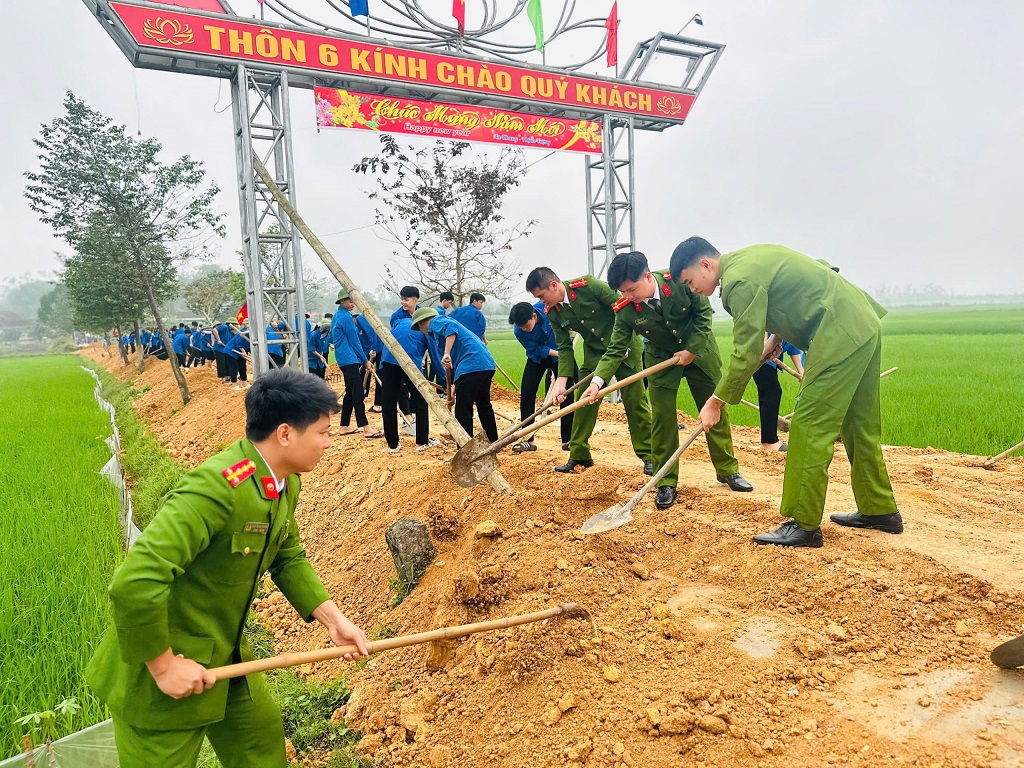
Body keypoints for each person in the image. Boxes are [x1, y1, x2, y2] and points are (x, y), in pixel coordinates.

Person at [85, 369, 369, 768]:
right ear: (285, 434)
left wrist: (332, 618)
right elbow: (135, 580)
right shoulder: (216, 489)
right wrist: (164, 667)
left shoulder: (283, 482)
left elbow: (287, 555)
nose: (328, 442)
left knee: (261, 744)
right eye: (323, 432)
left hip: (226, 656)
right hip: (161, 672)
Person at [671, 237, 903, 548]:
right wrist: (774, 340)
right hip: (861, 322)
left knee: (809, 425)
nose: (692, 289)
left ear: (705, 265)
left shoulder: (738, 280)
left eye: (689, 281)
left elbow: (744, 350)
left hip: (838, 333)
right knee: (858, 424)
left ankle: (804, 524)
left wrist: (716, 401)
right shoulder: (751, 258)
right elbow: (797, 292)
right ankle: (880, 509)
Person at [587, 252, 753, 509]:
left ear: (646, 276)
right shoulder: (626, 309)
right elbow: (616, 349)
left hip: (699, 354)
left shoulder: (680, 281)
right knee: (662, 420)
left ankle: (727, 469)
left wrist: (692, 351)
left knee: (714, 410)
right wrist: (597, 382)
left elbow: (703, 315)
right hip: (661, 360)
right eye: (623, 292)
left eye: (632, 289)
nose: (628, 296)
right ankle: (665, 481)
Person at [525, 267, 654, 475]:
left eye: (541, 296)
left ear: (554, 285)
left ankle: (649, 455)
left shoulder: (588, 286)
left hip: (625, 350)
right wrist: (560, 383)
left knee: (634, 401)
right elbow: (564, 347)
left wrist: (624, 344)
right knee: (582, 401)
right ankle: (580, 455)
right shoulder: (553, 312)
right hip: (595, 355)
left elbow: (624, 307)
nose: (541, 302)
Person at [411, 307, 498, 443]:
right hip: (485, 364)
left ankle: (464, 446)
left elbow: (450, 328)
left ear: (421, 324)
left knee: (463, 410)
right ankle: (494, 440)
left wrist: (446, 353)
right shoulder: (441, 334)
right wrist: (454, 387)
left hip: (472, 364)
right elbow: (457, 361)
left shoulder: (436, 321)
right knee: (483, 404)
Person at [508, 301, 575, 454]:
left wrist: (562, 354)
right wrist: (557, 353)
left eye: (526, 325)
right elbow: (537, 349)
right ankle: (528, 439)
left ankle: (568, 439)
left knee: (567, 394)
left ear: (534, 316)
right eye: (521, 327)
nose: (524, 329)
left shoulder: (548, 309)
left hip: (562, 356)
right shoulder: (519, 332)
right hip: (537, 358)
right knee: (527, 392)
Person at [379, 317, 438, 453]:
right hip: (410, 362)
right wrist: (447, 385)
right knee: (421, 400)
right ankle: (422, 441)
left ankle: (392, 445)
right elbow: (434, 356)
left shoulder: (399, 322)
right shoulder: (426, 328)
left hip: (388, 360)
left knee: (388, 403)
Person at [331, 289, 380, 438]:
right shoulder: (345, 317)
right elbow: (354, 341)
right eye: (350, 301)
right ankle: (365, 427)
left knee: (350, 393)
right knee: (358, 392)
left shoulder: (338, 316)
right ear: (342, 301)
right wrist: (365, 361)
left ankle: (344, 426)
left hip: (344, 358)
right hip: (349, 359)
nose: (353, 304)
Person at [752, 336, 804, 451]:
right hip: (759, 356)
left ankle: (769, 440)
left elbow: (793, 349)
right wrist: (764, 343)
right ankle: (769, 442)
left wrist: (801, 372)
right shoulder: (783, 320)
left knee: (770, 392)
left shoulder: (793, 329)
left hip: (770, 361)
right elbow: (764, 323)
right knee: (772, 392)